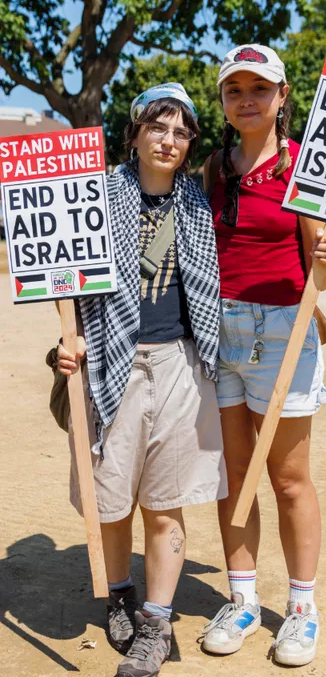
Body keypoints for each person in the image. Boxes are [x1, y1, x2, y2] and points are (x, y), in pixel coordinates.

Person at [57, 84, 224, 677]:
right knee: (111, 499)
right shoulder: (98, 196)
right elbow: (68, 277)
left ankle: (156, 622)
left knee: (166, 502)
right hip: (114, 360)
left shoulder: (197, 203)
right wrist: (69, 340)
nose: (169, 140)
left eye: (181, 132)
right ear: (134, 133)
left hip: (181, 362)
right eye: (158, 126)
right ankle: (120, 594)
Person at [198, 44, 326, 667]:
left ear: (283, 97)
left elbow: (323, 274)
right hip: (219, 331)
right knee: (234, 474)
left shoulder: (306, 169)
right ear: (225, 101)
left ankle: (303, 608)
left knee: (287, 478)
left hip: (284, 334)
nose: (247, 100)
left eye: (260, 89)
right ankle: (242, 599)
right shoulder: (212, 168)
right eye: (235, 90)